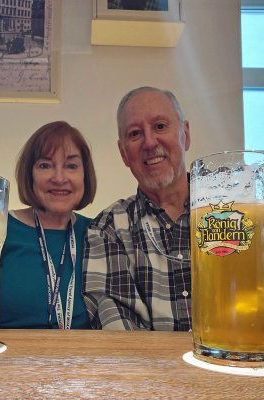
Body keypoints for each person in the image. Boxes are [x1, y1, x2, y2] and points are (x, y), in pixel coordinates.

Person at [82, 86, 191, 331]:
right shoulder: (109, 227)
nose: (150, 142)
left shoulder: (240, 212)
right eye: (135, 134)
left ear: (186, 134)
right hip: (154, 370)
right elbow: (117, 327)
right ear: (123, 153)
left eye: (161, 126)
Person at [0, 121, 97, 329]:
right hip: (6, 358)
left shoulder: (99, 233)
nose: (59, 178)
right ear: (29, 173)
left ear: (85, 175)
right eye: (45, 165)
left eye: (71, 166)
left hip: (83, 359)